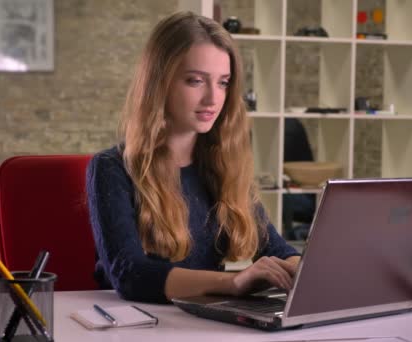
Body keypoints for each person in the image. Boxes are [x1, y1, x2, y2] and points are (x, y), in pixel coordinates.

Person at [86, 11, 301, 304]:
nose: (213, 98)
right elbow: (130, 275)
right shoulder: (111, 168)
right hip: (133, 326)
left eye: (223, 82)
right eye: (196, 81)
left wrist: (306, 270)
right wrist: (235, 282)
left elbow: (276, 249)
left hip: (203, 324)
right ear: (159, 83)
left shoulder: (223, 165)